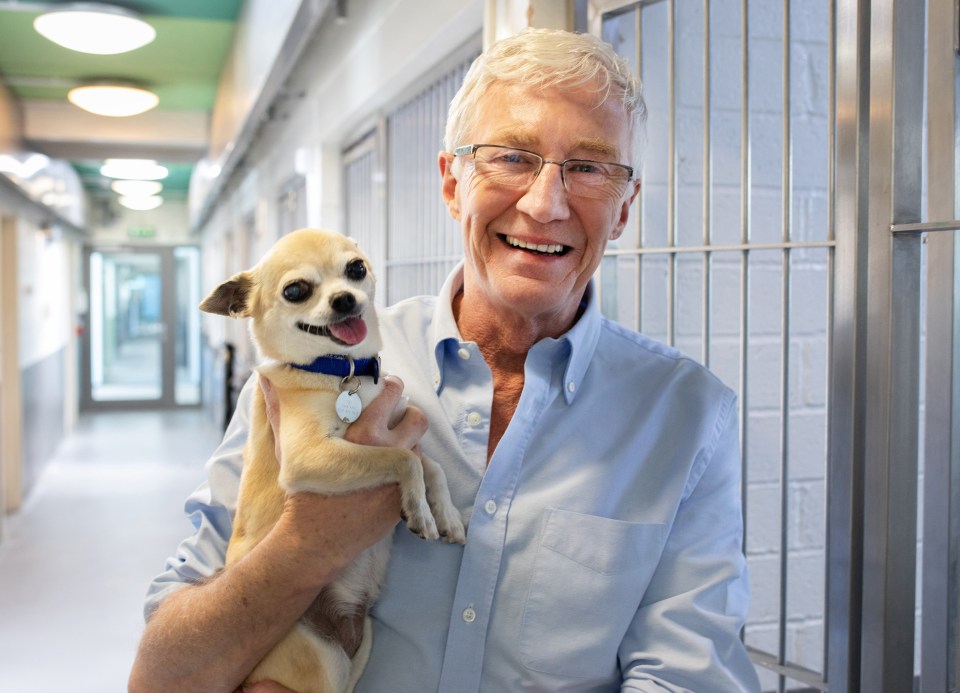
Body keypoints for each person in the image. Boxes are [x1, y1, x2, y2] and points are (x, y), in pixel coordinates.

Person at [129, 27, 760, 692]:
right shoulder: (306, 375)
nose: (546, 203)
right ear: (452, 184)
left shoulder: (687, 415)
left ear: (625, 207)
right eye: (512, 157)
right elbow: (165, 675)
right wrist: (309, 540)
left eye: (589, 167)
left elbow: (689, 673)